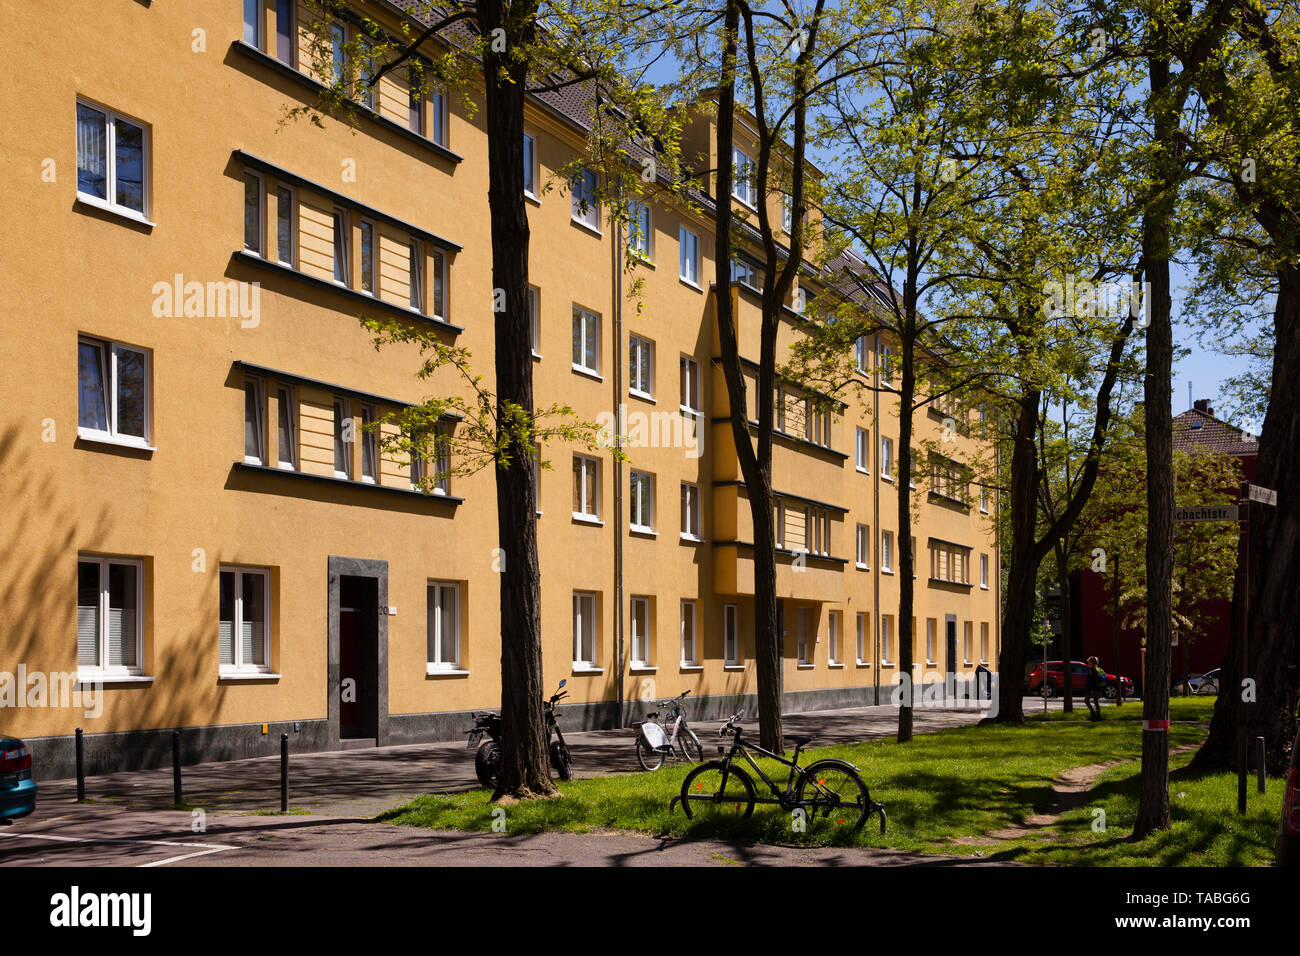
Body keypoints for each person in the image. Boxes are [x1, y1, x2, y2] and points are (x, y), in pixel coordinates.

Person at [1085, 656, 1106, 721]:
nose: (1088, 663)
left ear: (1091, 663)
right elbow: (1103, 678)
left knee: (1086, 700)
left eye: (1089, 662)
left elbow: (1092, 681)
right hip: (1099, 688)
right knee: (1095, 701)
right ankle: (1098, 715)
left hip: (1093, 689)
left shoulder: (1092, 670)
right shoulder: (1099, 669)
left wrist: (1091, 690)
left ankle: (1093, 713)